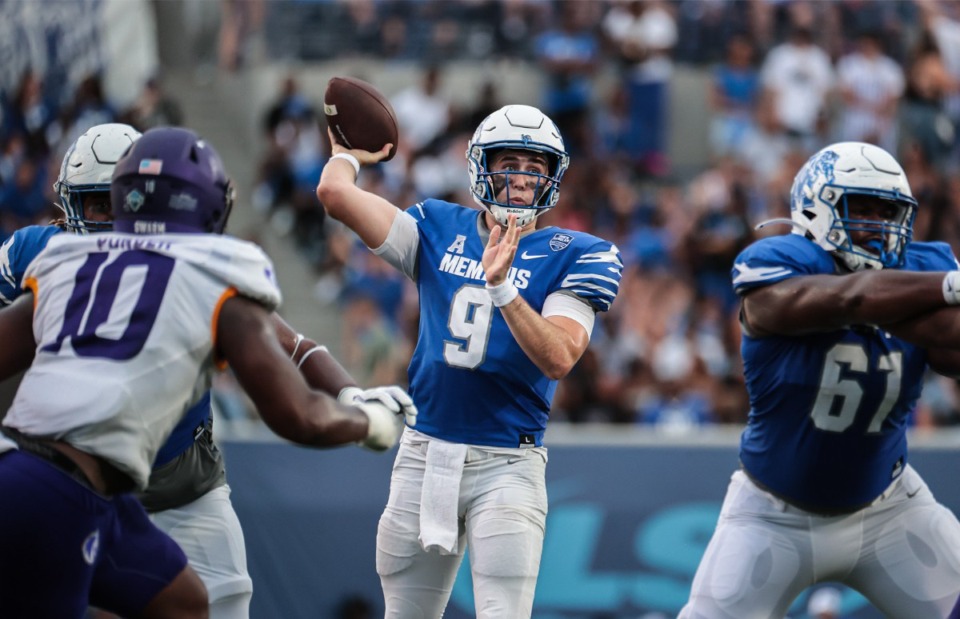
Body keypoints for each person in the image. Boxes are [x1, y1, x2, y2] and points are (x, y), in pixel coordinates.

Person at [0, 125, 417, 618]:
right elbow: (297, 415)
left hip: (138, 478)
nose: (114, 219)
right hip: (70, 485)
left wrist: (350, 394)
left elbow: (293, 347)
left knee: (194, 602)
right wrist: (370, 422)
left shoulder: (62, 265)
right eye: (100, 204)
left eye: (124, 201)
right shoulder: (201, 272)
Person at [316, 104, 623, 617]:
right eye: (511, 163)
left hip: (508, 463)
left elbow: (559, 357)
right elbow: (334, 195)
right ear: (482, 167)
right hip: (422, 451)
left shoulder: (578, 252)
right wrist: (346, 155)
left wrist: (502, 287)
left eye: (536, 166)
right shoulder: (436, 225)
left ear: (553, 176)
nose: (523, 178)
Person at [679, 141, 960, 618]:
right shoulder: (780, 261)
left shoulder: (921, 264)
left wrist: (888, 301)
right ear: (816, 208)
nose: (878, 227)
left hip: (890, 507)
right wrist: (943, 289)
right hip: (771, 514)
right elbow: (849, 299)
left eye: (889, 211)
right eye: (862, 209)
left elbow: (946, 341)